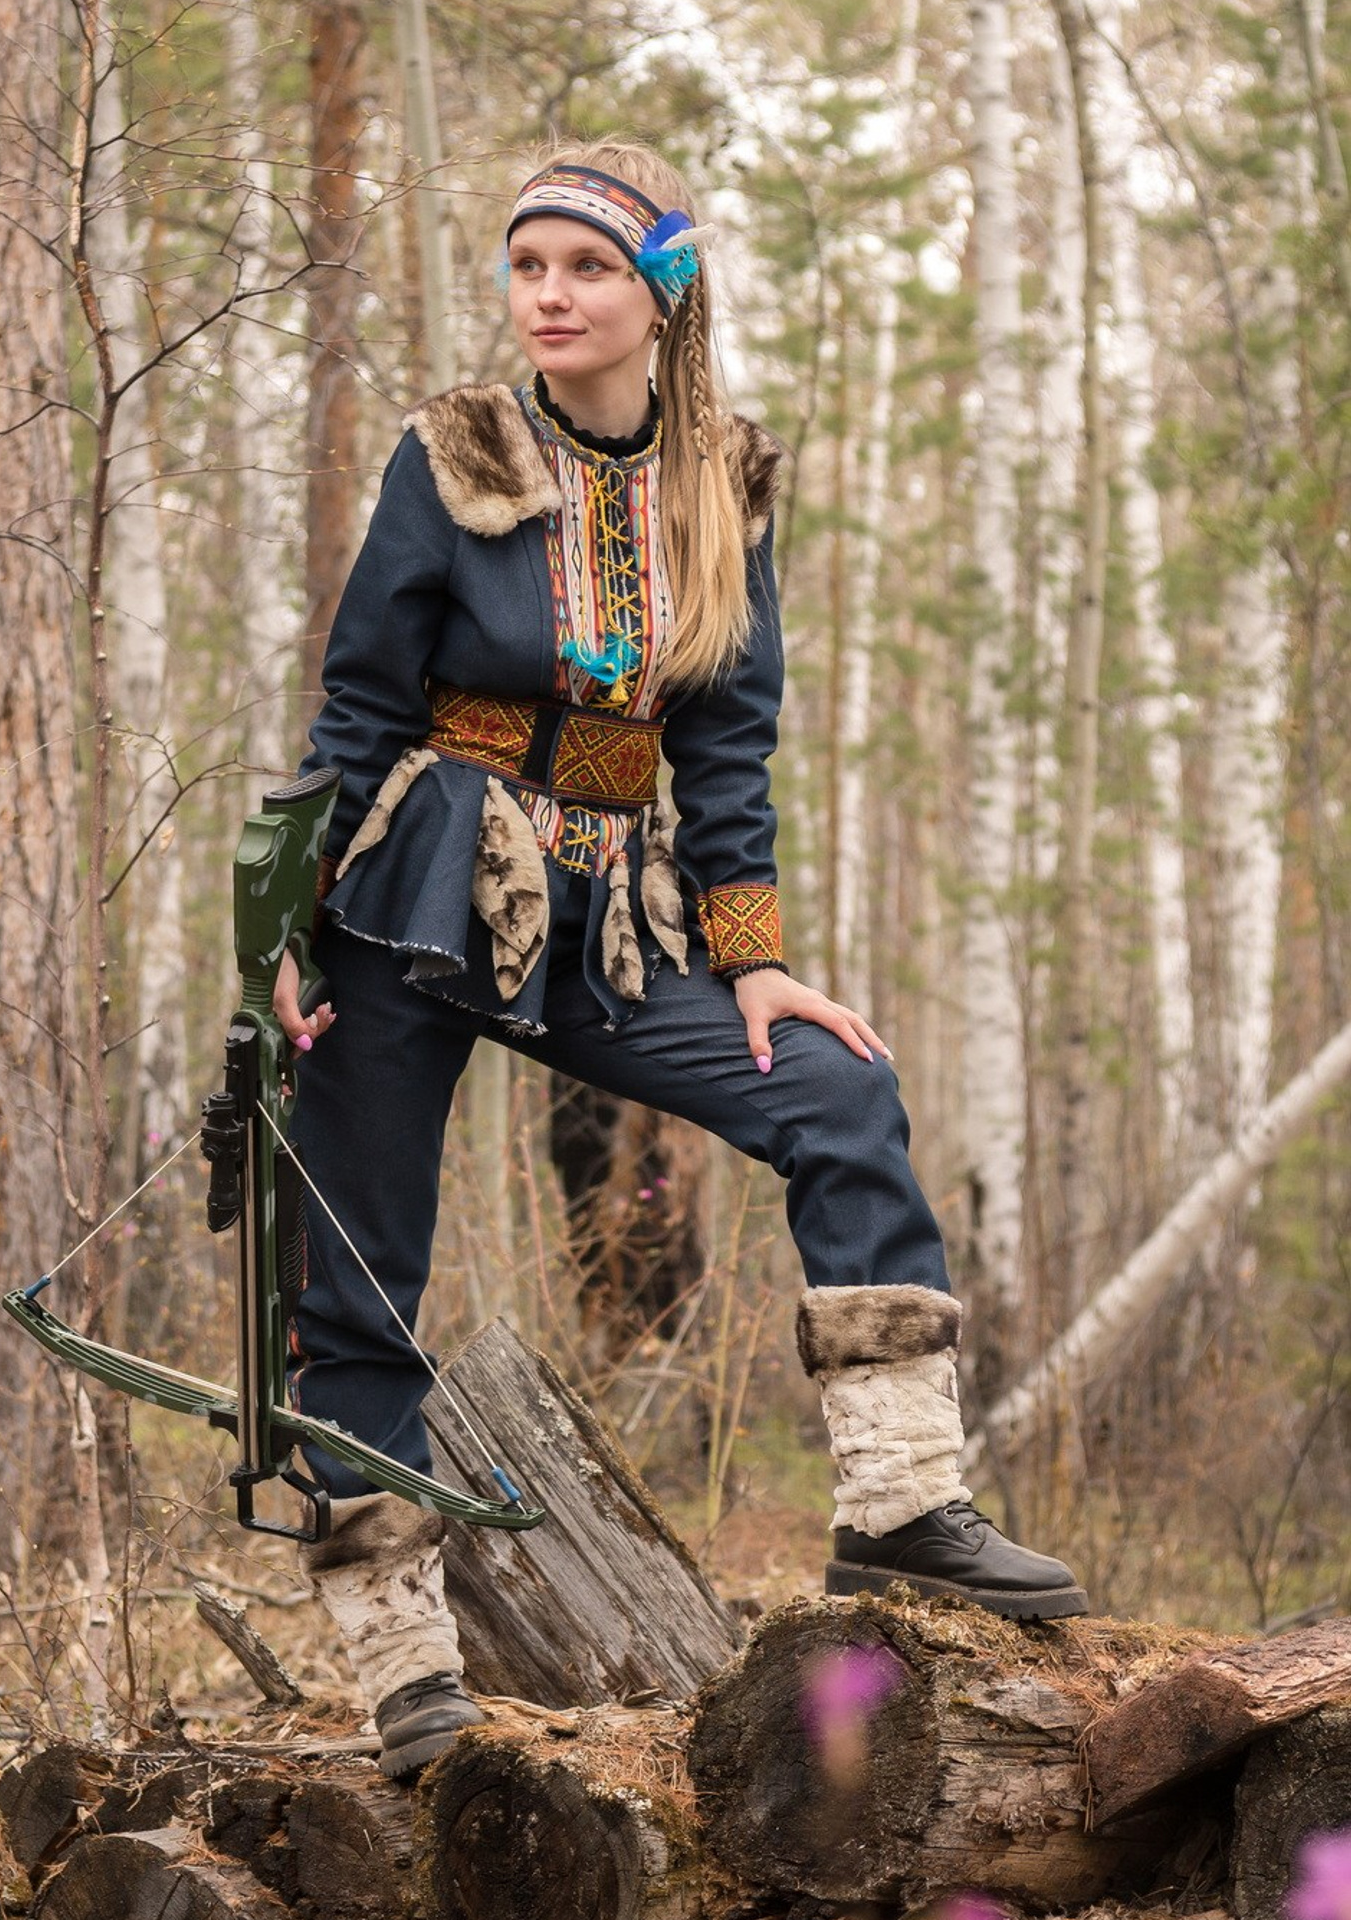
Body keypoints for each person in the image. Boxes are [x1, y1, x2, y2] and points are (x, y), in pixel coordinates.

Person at [272, 140, 1085, 1783]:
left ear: (662, 292)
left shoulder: (726, 484)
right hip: (419, 892)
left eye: (584, 268)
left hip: (617, 922)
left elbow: (726, 754)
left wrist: (758, 957)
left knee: (841, 1088)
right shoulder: (458, 459)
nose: (549, 298)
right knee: (358, 1271)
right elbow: (361, 709)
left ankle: (901, 1505)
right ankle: (403, 1672)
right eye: (526, 269)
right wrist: (275, 939)